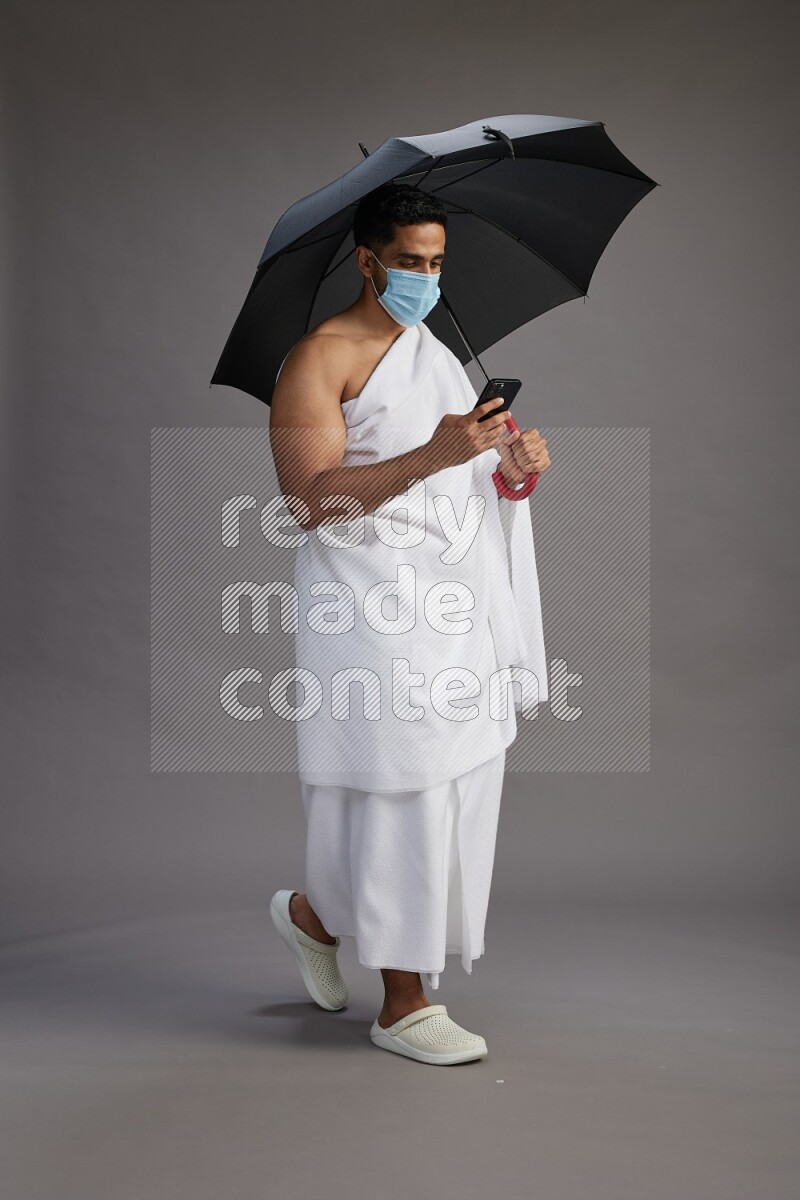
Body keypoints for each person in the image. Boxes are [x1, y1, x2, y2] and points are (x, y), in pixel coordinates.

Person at [268, 183, 551, 1066]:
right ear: (367, 260)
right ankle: (402, 1003)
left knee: (457, 778)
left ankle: (314, 916)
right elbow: (308, 501)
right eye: (410, 263)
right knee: (401, 782)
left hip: (454, 599)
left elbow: (459, 489)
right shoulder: (317, 359)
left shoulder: (436, 350)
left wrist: (511, 472)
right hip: (371, 608)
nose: (426, 278)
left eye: (436, 264)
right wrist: (437, 450)